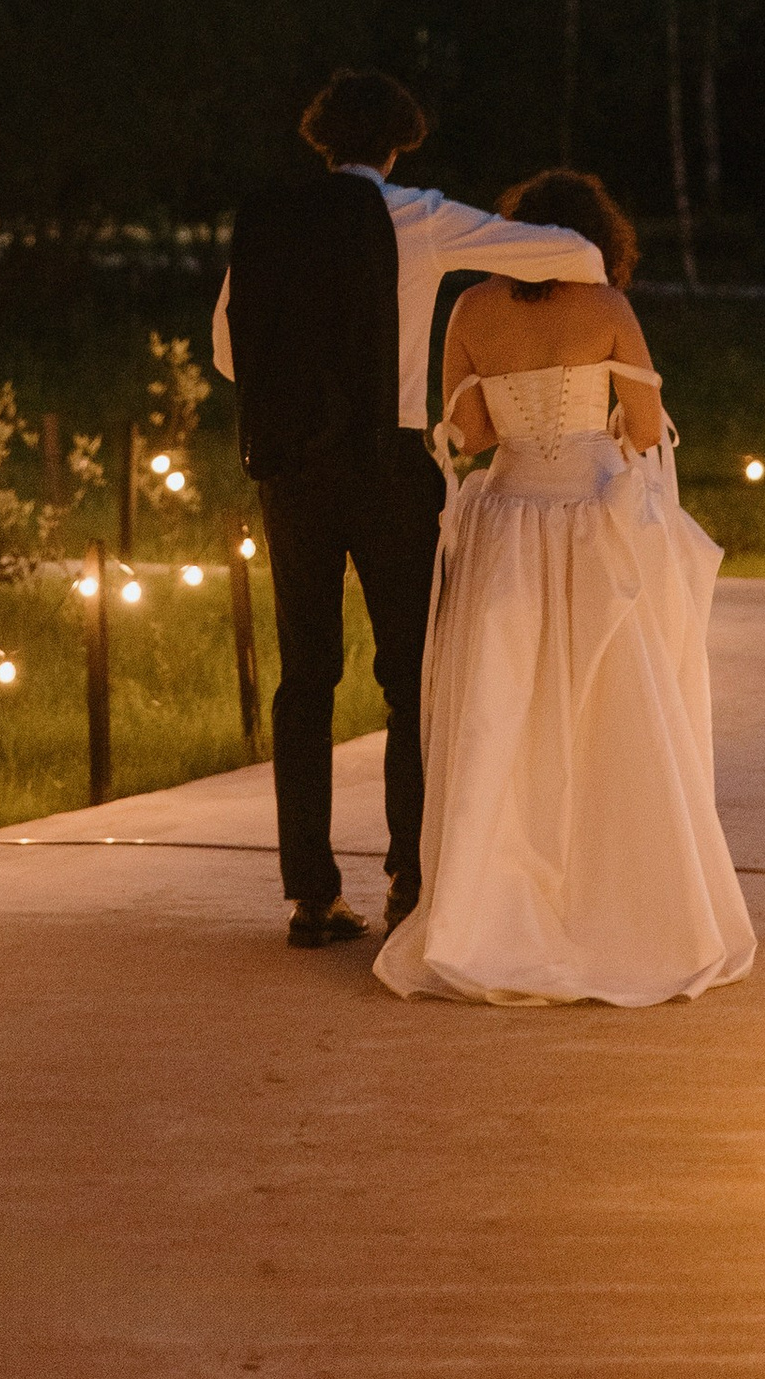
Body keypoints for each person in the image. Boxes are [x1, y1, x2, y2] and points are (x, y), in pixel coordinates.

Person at [212, 70, 606, 949]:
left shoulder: (267, 218)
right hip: (387, 466)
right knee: (410, 679)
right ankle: (409, 879)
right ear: (397, 144)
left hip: (289, 474)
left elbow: (230, 351)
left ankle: (310, 896)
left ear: (320, 140)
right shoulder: (416, 216)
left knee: (305, 680)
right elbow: (575, 258)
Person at [375, 169, 754, 1008]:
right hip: (590, 523)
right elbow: (648, 429)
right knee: (609, 708)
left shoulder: (471, 309)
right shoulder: (608, 308)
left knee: (504, 712)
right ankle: (621, 906)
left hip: (509, 523)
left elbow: (466, 435)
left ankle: (487, 913)